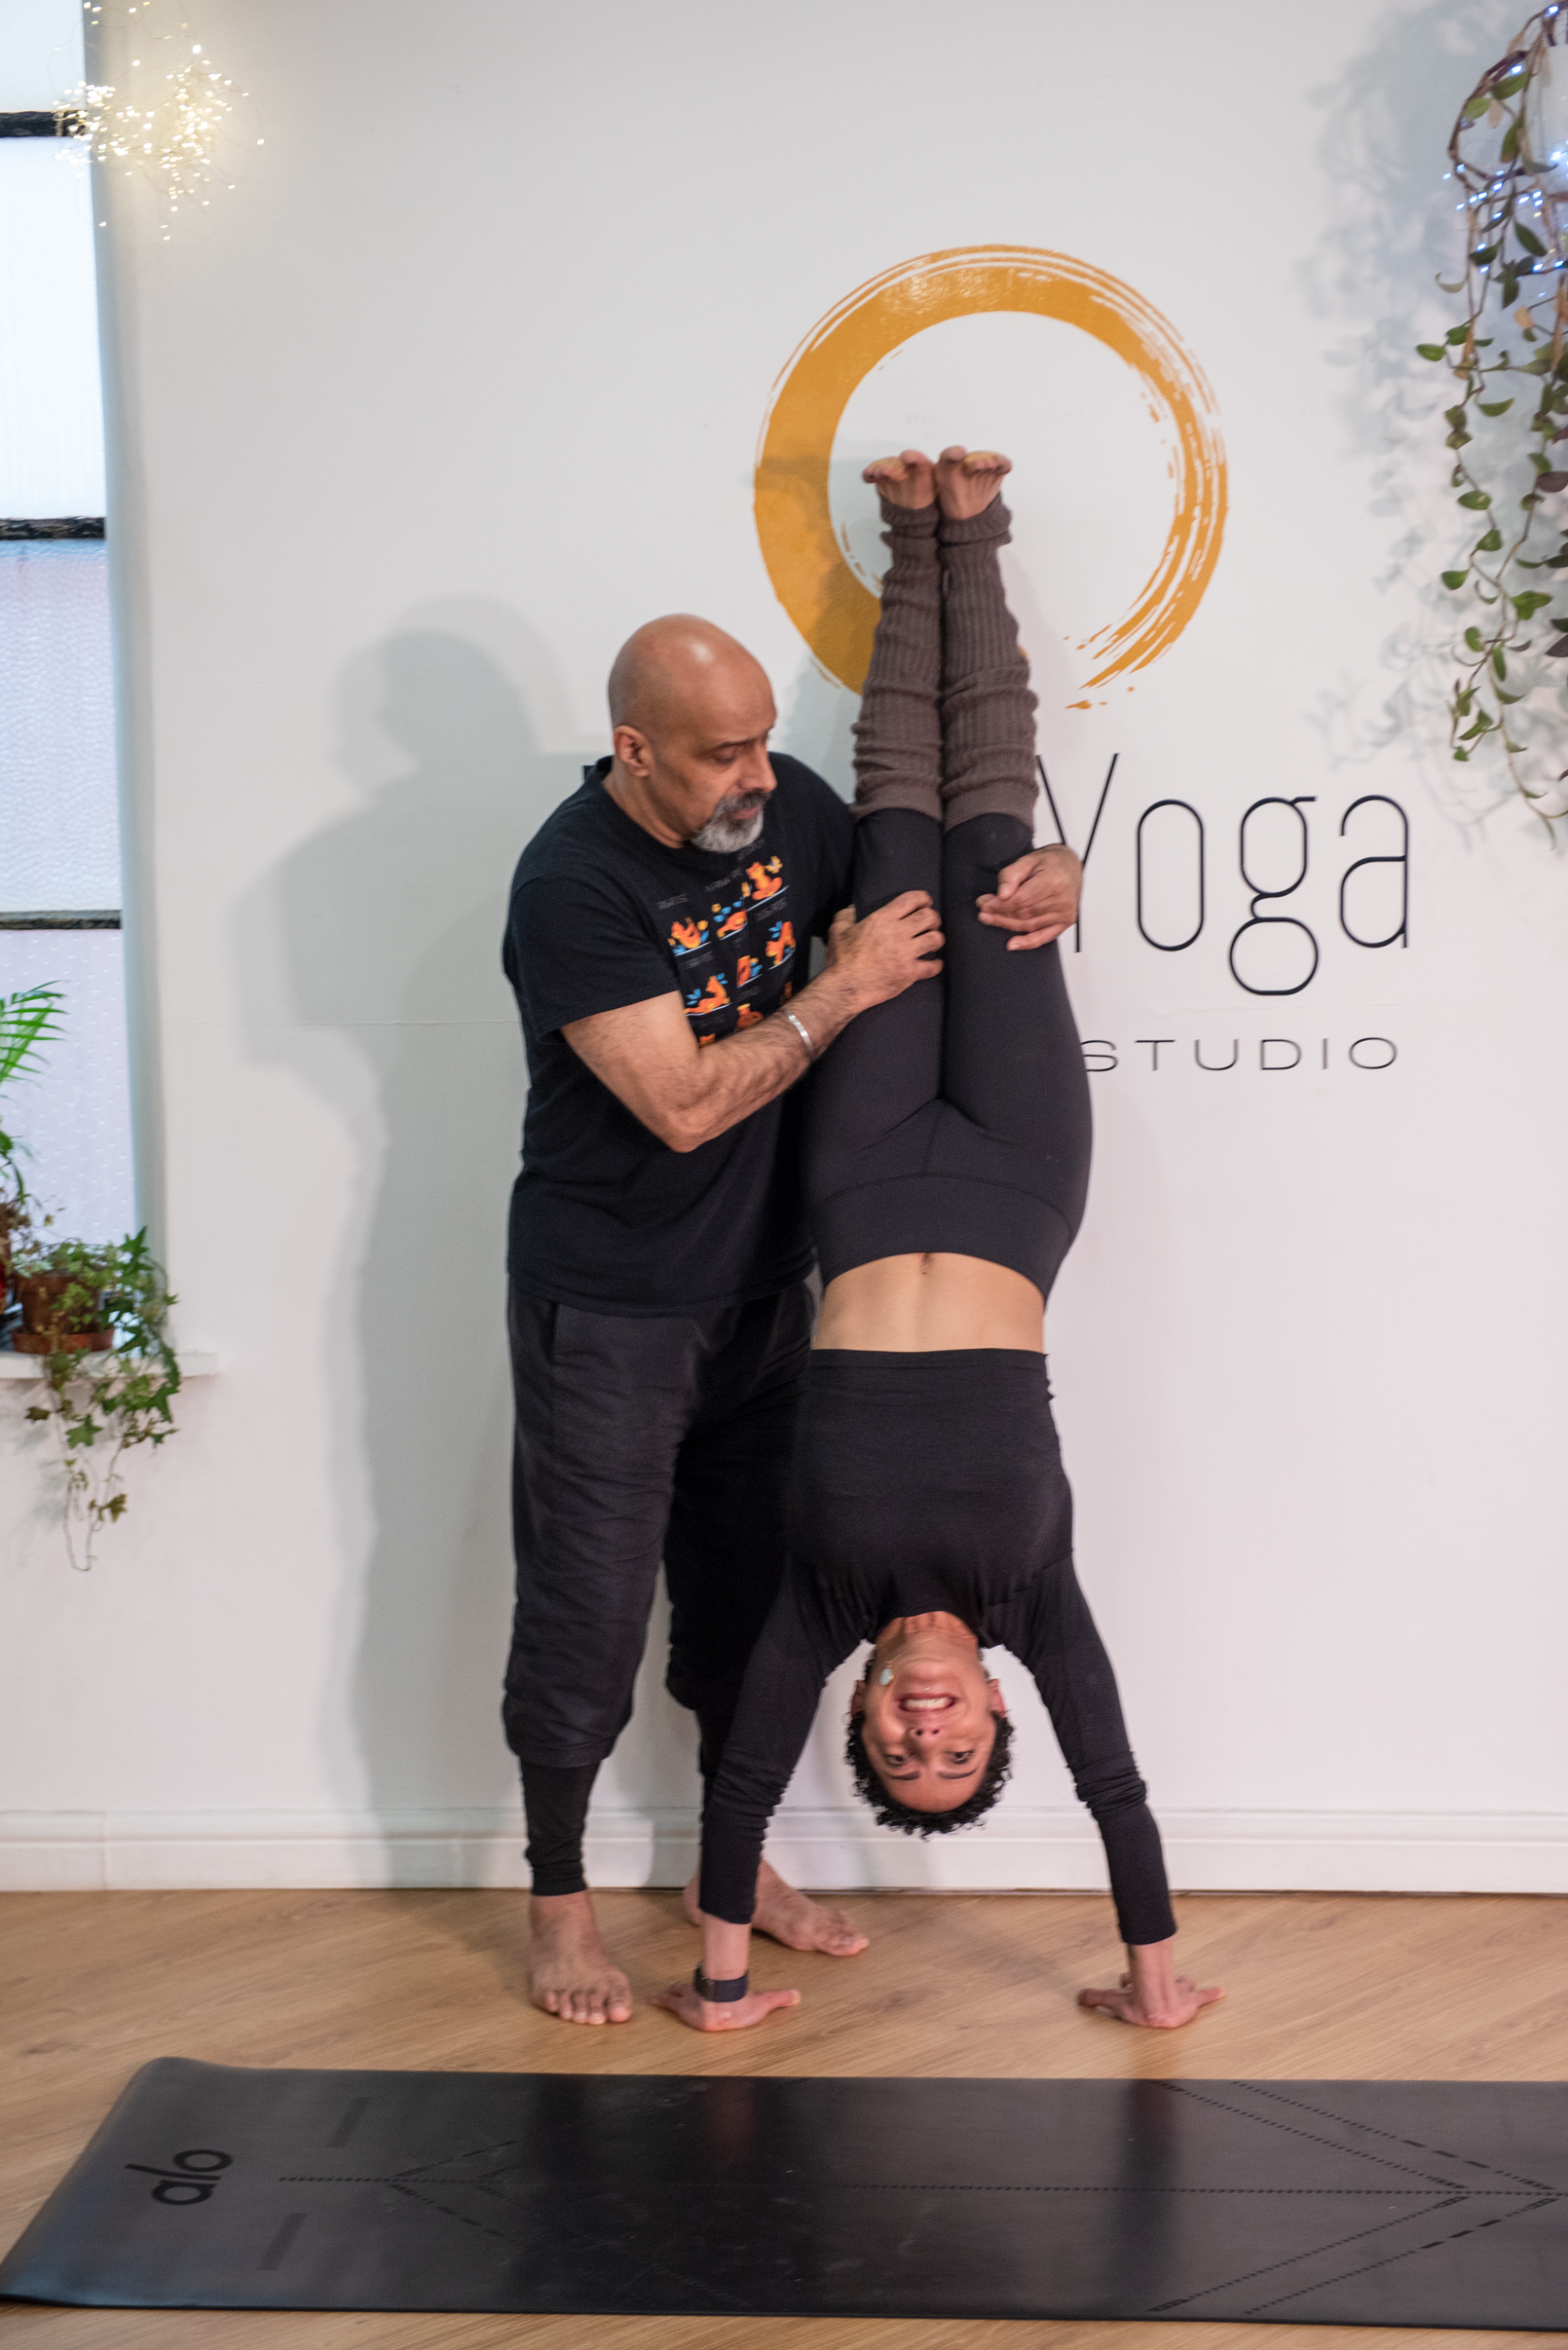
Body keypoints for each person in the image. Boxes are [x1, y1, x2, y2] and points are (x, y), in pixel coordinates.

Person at [655, 446, 1224, 2035]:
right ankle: (974, 524)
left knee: (901, 858)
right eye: (957, 1746)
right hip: (1018, 1185)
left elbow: (741, 1781)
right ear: (988, 1708)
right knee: (998, 865)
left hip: (856, 1186)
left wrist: (718, 1984)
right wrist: (1154, 1982)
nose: (926, 1734)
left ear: (867, 1720)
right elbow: (1113, 1782)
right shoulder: (1034, 1596)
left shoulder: (818, 1606)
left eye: (901, 1753)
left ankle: (914, 534)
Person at [501, 591, 1082, 2024]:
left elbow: (928, 897)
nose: (760, 775)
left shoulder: (777, 810)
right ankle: (559, 1913)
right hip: (616, 1309)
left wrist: (1057, 874)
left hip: (772, 1302)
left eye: (763, 743)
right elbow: (685, 1104)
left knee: (740, 1613)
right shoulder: (572, 884)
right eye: (722, 754)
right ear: (634, 751)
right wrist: (841, 990)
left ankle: (734, 1870)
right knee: (583, 1625)